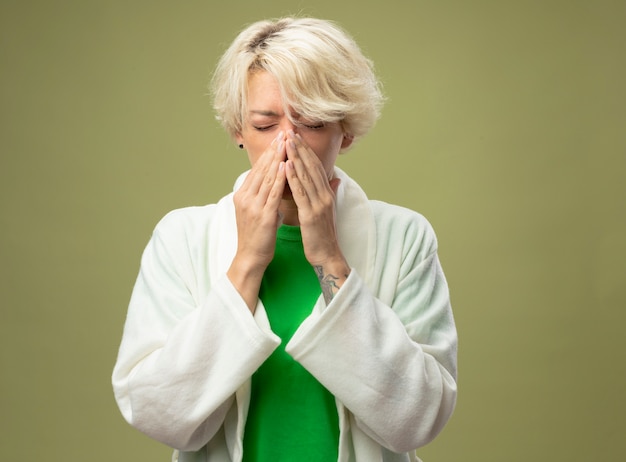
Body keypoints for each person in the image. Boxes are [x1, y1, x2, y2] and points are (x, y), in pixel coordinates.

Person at [112, 17, 457, 462]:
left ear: (345, 131)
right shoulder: (181, 237)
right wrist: (247, 263)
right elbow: (158, 413)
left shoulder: (404, 236)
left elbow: (419, 420)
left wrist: (331, 259)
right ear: (239, 131)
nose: (287, 145)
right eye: (264, 125)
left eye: (311, 122)